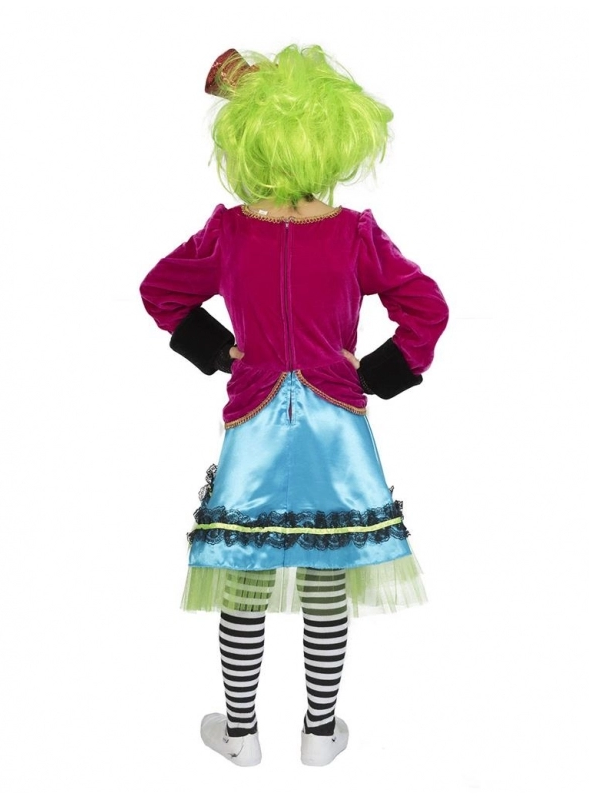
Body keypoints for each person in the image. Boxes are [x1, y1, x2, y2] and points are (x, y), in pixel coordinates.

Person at [139, 44, 449, 767]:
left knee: (244, 570)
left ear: (247, 145)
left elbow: (160, 291)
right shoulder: (354, 233)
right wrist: (377, 371)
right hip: (334, 425)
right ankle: (319, 733)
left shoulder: (228, 231)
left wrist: (221, 351)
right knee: (326, 573)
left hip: (254, 421)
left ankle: (240, 734)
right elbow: (426, 307)